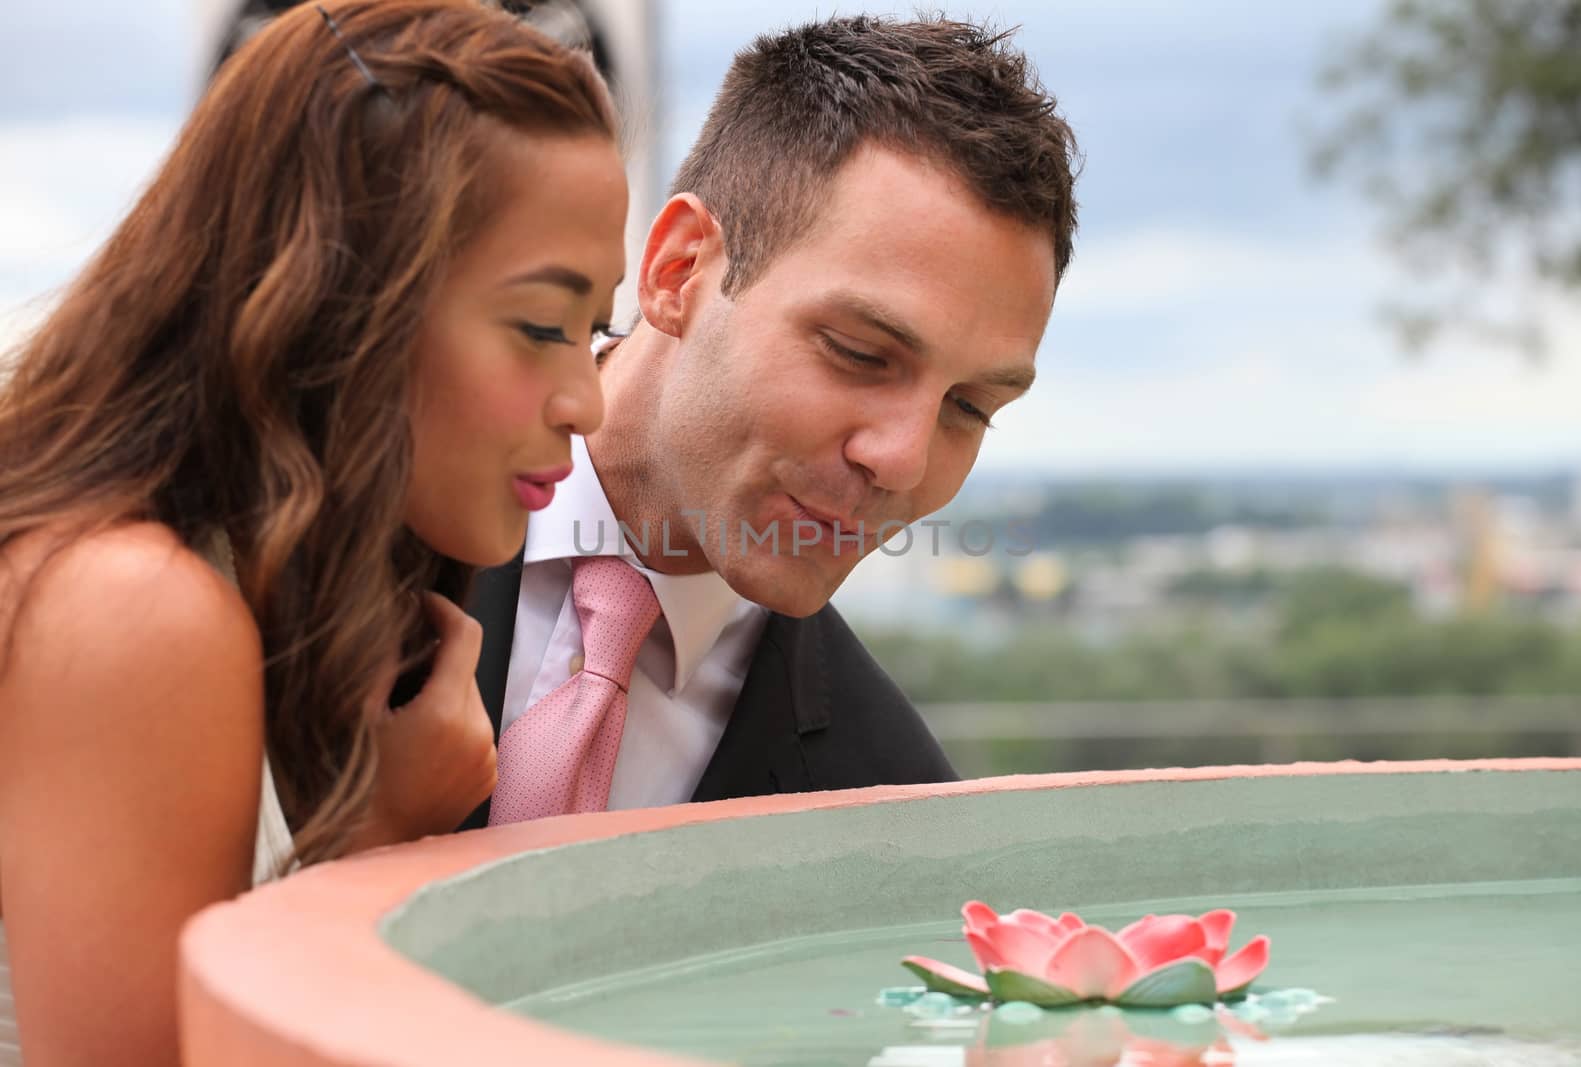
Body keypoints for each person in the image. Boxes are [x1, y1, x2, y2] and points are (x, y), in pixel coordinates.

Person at [0, 2, 624, 1063]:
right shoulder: (134, 607)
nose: (586, 400)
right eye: (538, 326)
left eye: (596, 329)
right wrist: (374, 845)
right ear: (342, 301)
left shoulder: (271, 587)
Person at [468, 14, 1080, 828]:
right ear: (677, 269)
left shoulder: (892, 803)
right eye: (859, 352)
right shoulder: (337, 509)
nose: (901, 460)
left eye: (968, 407)